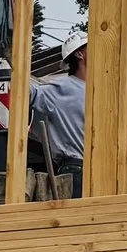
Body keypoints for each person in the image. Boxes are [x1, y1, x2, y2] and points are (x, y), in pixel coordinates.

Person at [31, 33, 87, 199]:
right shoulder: (63, 88)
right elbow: (30, 93)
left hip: (100, 169)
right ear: (79, 54)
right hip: (76, 170)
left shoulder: (99, 89)